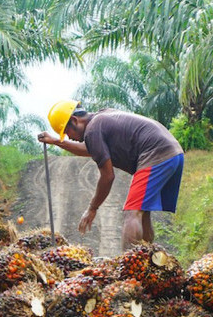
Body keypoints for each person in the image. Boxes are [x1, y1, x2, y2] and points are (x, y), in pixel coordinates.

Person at [38, 100, 183, 250]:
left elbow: (108, 176)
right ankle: (149, 261)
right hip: (173, 153)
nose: (69, 137)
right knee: (142, 212)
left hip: (156, 154)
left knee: (132, 213)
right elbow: (91, 149)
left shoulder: (93, 130)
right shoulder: (101, 118)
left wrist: (92, 208)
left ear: (74, 120)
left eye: (67, 132)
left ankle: (129, 268)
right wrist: (56, 142)